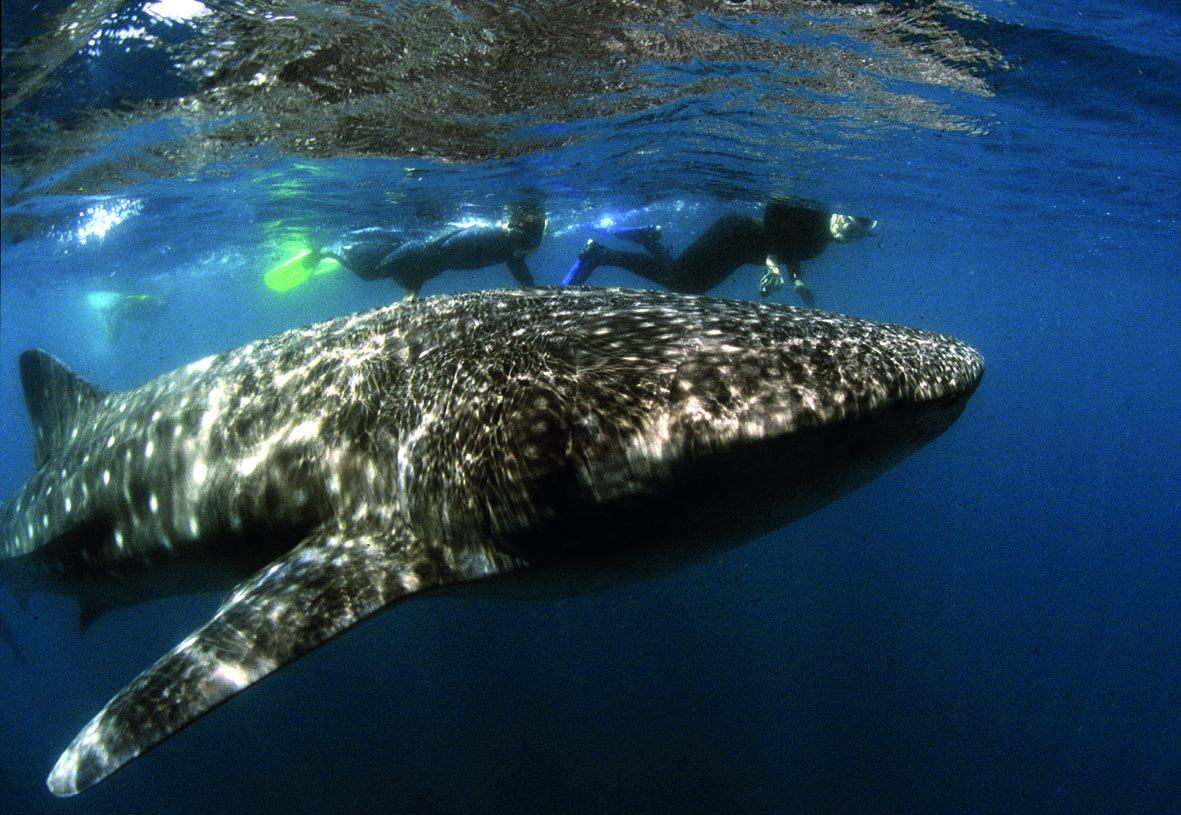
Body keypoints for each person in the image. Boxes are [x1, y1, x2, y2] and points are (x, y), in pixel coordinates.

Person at [562, 200, 876, 306]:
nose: (847, 227)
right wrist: (771, 259)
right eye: (849, 219)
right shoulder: (813, 212)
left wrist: (797, 282)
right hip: (734, 233)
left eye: (855, 230)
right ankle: (613, 250)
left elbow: (794, 252)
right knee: (683, 281)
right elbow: (774, 209)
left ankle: (634, 244)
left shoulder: (823, 241)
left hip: (739, 251)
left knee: (686, 283)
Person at [322, 201, 547, 298]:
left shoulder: (510, 248)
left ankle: (349, 250)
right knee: (370, 274)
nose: (529, 247)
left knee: (377, 271)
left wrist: (533, 290)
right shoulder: (494, 235)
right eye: (528, 241)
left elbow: (519, 268)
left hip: (431, 266)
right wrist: (415, 285)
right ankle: (328, 251)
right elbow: (437, 248)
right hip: (417, 254)